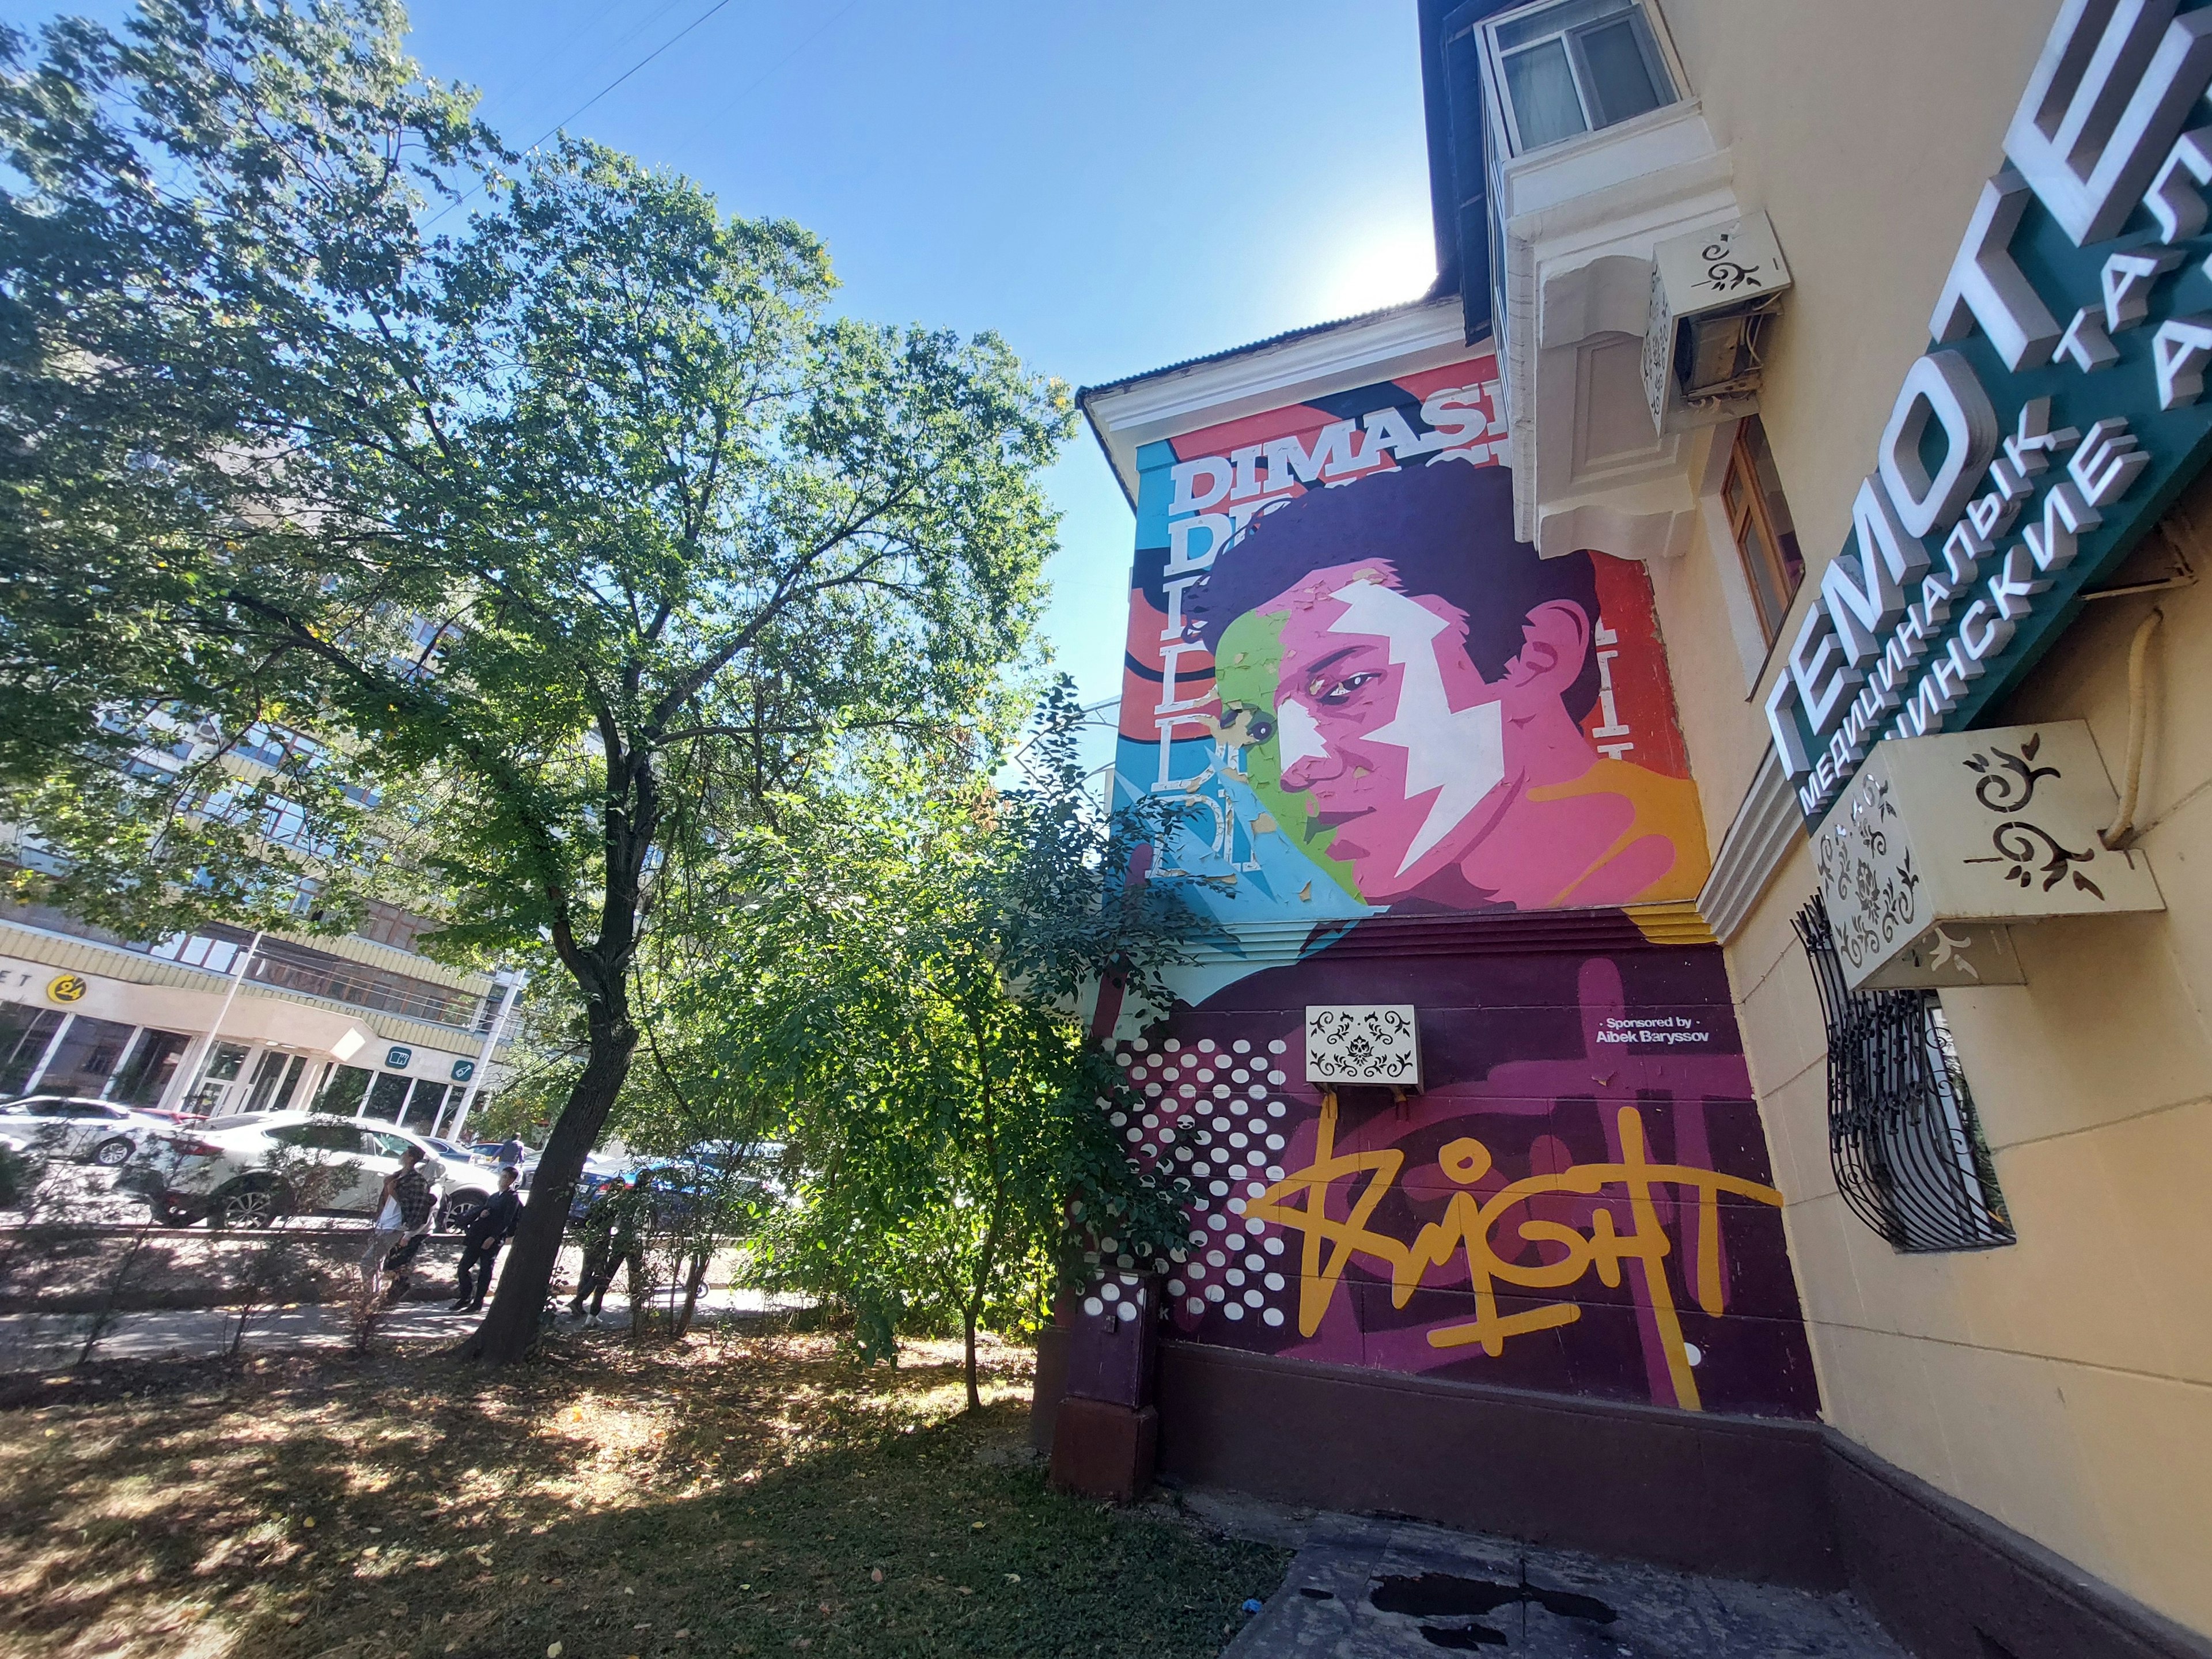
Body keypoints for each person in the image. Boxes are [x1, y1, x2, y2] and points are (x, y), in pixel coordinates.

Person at [1186, 460, 1706, 913]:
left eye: (1346, 687)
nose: (1295, 766)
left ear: (1537, 656)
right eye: (1257, 729)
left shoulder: (1716, 874)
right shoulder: (1308, 989)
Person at [566, 1175, 645, 1327]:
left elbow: (588, 1219)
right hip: (604, 1241)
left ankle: (582, 1306)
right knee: (601, 1276)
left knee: (589, 1272)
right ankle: (579, 1302)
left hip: (593, 1239)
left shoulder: (602, 1200)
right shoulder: (620, 1202)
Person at [361, 1145, 435, 1305]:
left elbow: (416, 1207)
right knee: (377, 1260)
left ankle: (368, 1294)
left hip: (395, 1226)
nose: (401, 1155)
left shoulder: (416, 1181)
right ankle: (374, 1295)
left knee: (367, 1261)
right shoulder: (398, 1177)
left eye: (405, 1153)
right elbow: (386, 1200)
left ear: (410, 1158)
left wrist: (408, 1233)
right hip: (384, 1223)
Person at [452, 1165, 522, 1312]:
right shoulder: (494, 1196)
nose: (502, 1180)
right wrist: (482, 1214)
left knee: (485, 1270)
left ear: (511, 1180)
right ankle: (465, 1296)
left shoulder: (512, 1198)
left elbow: (507, 1220)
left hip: (493, 1239)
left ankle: (478, 1302)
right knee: (463, 1267)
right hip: (479, 1236)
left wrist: (493, 1237)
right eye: (502, 1176)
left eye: (506, 1177)